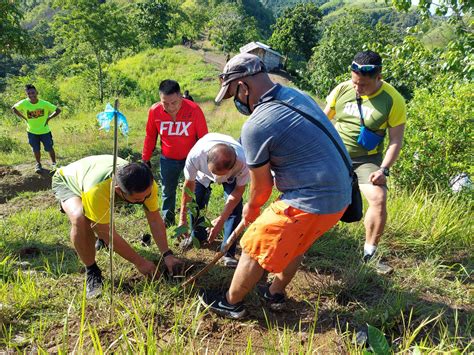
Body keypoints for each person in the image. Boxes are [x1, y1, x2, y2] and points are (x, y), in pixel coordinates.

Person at [198, 53, 352, 319]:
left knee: (254, 242)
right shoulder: (296, 95)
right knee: (297, 243)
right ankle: (275, 292)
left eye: (234, 94)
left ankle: (230, 303)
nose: (235, 101)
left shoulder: (257, 124)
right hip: (341, 197)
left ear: (244, 87)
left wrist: (250, 210)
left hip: (310, 200)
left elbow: (262, 188)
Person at [51, 155, 182, 299]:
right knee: (80, 218)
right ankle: (92, 271)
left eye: (147, 195)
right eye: (138, 199)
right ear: (119, 191)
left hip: (95, 172)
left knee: (99, 215)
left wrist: (167, 254)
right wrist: (140, 262)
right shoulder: (96, 191)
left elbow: (155, 219)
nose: (144, 200)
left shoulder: (147, 184)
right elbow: (107, 233)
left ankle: (98, 232)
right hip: (68, 180)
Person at [323, 50, 406, 273]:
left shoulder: (393, 100)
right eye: (354, 82)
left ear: (378, 77)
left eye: (363, 85)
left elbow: (396, 141)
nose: (357, 88)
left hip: (365, 161)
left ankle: (370, 254)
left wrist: (384, 170)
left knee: (379, 198)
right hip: (334, 153)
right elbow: (324, 121)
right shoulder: (342, 89)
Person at [142, 79, 208, 227]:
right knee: (167, 191)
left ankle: (194, 223)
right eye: (165, 103)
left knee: (194, 192)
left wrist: (204, 161)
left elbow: (204, 138)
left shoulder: (194, 110)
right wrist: (145, 158)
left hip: (191, 159)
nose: (170, 107)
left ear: (180, 97)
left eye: (174, 103)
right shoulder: (155, 111)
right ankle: (168, 220)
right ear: (160, 99)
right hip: (168, 159)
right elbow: (150, 136)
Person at [178, 133, 249, 267]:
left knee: (234, 209)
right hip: (202, 175)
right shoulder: (196, 156)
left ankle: (228, 252)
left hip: (232, 176)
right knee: (196, 203)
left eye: (220, 175)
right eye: (214, 173)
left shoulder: (243, 162)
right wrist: (182, 219)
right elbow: (188, 188)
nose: (216, 179)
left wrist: (221, 220)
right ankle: (196, 236)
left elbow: (238, 191)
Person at [12, 84, 61, 173]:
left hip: (45, 131)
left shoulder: (44, 103)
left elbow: (58, 110)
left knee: (49, 148)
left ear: (37, 92)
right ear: (26, 94)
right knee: (36, 149)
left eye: (33, 93)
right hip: (32, 132)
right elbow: (14, 108)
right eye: (29, 93)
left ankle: (54, 164)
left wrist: (49, 118)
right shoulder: (24, 103)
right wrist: (24, 118)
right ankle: (38, 164)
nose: (31, 95)